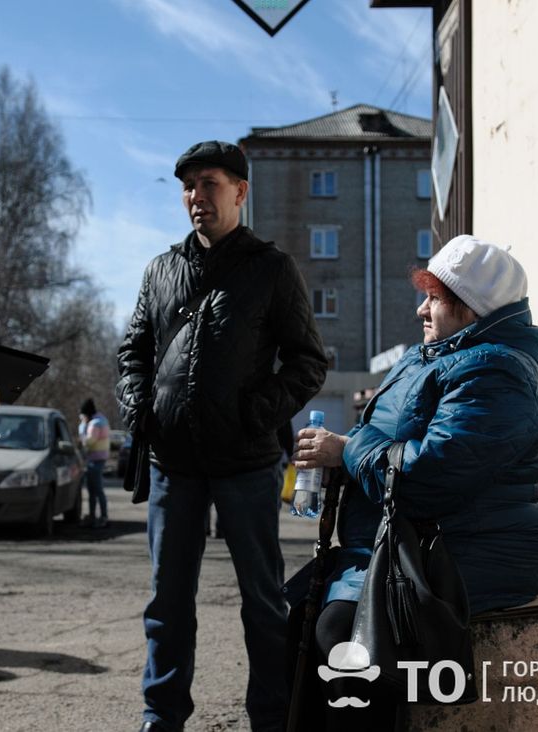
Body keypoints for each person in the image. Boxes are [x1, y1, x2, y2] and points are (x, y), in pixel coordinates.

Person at [295, 235, 538, 729]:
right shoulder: (429, 357)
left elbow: (428, 478)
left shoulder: (497, 373)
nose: (421, 310)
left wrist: (347, 450)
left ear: (471, 308)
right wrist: (344, 458)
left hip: (465, 551)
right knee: (297, 611)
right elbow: (391, 442)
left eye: (434, 298)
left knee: (344, 638)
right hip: (405, 544)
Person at [117, 140, 329, 732]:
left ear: (240, 192)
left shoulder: (271, 268)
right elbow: (133, 350)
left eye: (209, 184)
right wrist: (139, 406)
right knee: (166, 603)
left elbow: (308, 361)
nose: (196, 196)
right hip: (172, 463)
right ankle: (160, 718)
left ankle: (271, 718)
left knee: (263, 602)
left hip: (246, 462)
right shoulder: (161, 270)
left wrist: (255, 414)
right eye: (188, 186)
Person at [78, 398, 111, 527]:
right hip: (98, 458)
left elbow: (89, 442)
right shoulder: (102, 419)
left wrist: (82, 426)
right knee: (92, 490)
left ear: (87, 413)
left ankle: (103, 517)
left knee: (96, 489)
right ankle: (93, 516)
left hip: (95, 459)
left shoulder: (95, 423)